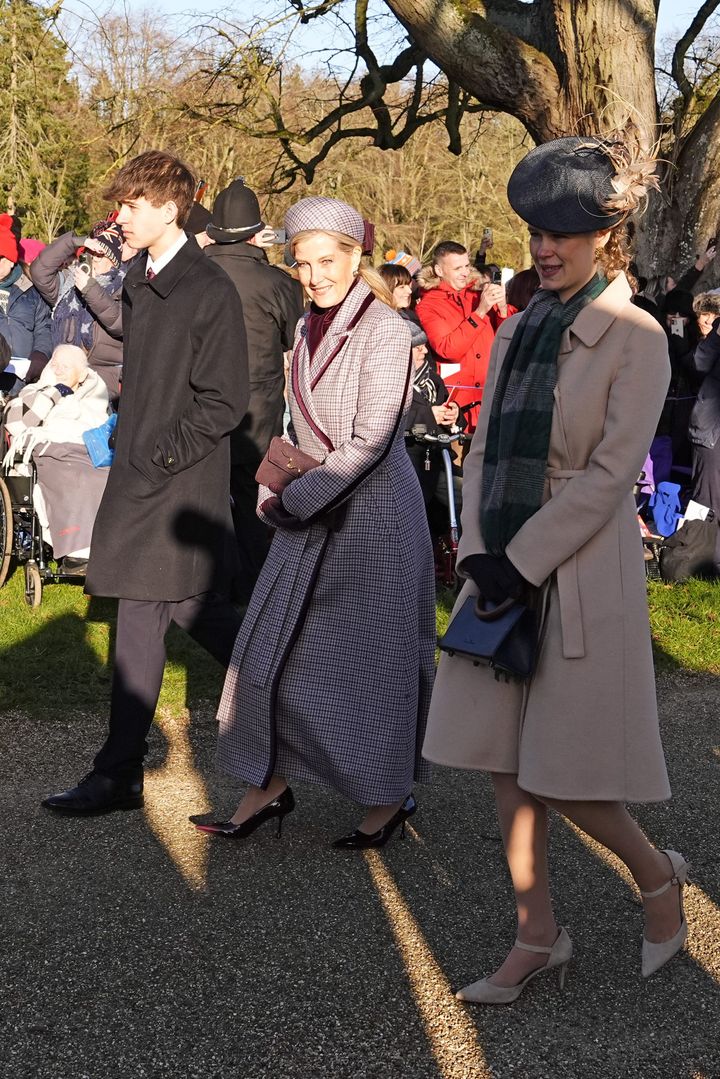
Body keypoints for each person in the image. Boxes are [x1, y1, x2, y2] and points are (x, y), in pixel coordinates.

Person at [424, 136, 688, 1004]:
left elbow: (611, 476)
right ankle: (537, 934)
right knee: (506, 764)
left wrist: (522, 559)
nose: (543, 247)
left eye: (561, 232)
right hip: (500, 559)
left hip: (577, 569)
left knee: (564, 771)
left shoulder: (637, 337)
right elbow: (485, 446)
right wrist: (477, 550)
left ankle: (656, 878)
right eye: (535, 231)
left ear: (605, 236)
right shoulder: (518, 327)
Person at [194, 195, 435, 848]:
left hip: (375, 518)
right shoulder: (304, 327)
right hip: (310, 509)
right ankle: (268, 784)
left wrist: (296, 500)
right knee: (269, 648)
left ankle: (388, 795)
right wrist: (275, 481)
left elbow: (372, 440)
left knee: (376, 663)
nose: (313, 276)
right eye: (302, 263)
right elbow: (300, 427)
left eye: (326, 261)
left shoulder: (387, 330)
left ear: (356, 257)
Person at [42, 149, 250, 817]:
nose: (121, 216)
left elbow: (224, 400)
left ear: (169, 208)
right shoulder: (142, 276)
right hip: (141, 475)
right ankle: (307, 693)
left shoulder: (209, 287)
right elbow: (148, 362)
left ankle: (117, 774)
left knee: (145, 613)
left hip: (175, 485)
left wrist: (160, 455)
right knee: (185, 611)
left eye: (132, 205)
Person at [205, 178, 304, 603]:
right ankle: (250, 586)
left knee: (203, 496)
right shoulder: (277, 283)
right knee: (251, 499)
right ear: (255, 233)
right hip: (256, 410)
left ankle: (206, 583)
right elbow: (292, 338)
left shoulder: (192, 273)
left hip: (200, 404)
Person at [3, 344, 110, 573]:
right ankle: (78, 553)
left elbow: (100, 430)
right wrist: (54, 392)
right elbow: (18, 424)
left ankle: (105, 548)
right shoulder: (33, 391)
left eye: (66, 366)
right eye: (55, 364)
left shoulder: (95, 397)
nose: (58, 370)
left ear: (82, 375)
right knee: (76, 477)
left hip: (89, 452)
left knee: (106, 478)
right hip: (50, 452)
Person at [416, 240, 513, 432]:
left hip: (489, 399)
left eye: (467, 266)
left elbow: (508, 340)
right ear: (439, 270)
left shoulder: (478, 295)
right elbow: (448, 349)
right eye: (457, 268)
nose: (465, 273)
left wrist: (502, 308)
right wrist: (480, 312)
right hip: (455, 407)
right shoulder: (429, 305)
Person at [31, 220, 127, 404]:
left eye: (100, 255)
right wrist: (76, 241)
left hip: (99, 386)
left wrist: (90, 289)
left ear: (113, 262)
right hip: (61, 377)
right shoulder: (69, 284)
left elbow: (119, 323)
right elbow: (39, 270)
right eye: (90, 252)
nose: (93, 258)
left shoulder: (123, 287)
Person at [0, 213, 52, 393]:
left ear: (10, 259)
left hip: (23, 385)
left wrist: (41, 355)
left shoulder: (31, 288)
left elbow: (44, 327)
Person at [687, 311, 720, 573]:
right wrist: (717, 336)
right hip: (712, 432)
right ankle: (695, 558)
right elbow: (697, 364)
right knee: (705, 498)